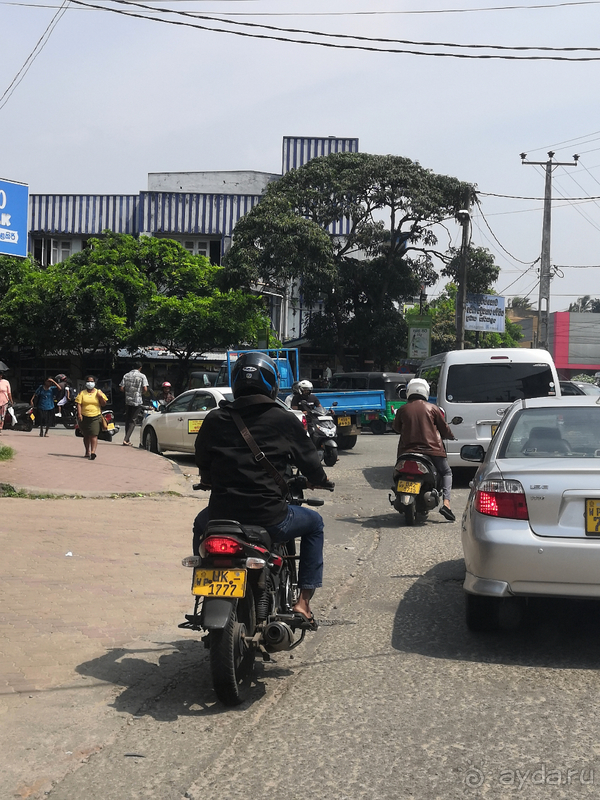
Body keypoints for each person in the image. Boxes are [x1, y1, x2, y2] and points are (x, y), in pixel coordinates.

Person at [193, 352, 332, 625]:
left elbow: (203, 460)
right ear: (272, 385)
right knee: (315, 523)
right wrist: (319, 479)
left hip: (221, 516)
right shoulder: (283, 419)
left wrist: (209, 479)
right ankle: (303, 604)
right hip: (271, 518)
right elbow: (310, 462)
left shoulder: (215, 418)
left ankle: (204, 591)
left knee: (201, 525)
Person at [392, 377, 456, 522]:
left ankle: (398, 492)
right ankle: (447, 504)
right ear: (426, 391)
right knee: (446, 472)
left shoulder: (402, 409)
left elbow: (396, 428)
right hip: (432, 450)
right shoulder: (433, 408)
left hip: (406, 451)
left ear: (409, 392)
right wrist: (451, 436)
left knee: (396, 472)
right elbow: (444, 429)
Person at [75, 375, 108, 459]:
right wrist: (79, 414)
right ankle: (87, 451)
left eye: (92, 381)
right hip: (84, 417)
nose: (90, 383)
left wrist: (100, 397)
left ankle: (93, 452)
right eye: (88, 381)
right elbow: (79, 404)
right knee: (86, 435)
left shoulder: (98, 392)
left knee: (94, 434)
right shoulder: (82, 393)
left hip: (95, 416)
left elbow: (104, 404)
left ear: (94, 383)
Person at [120, 361, 150, 446]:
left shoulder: (126, 375)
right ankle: (126, 439)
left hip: (128, 400)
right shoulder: (142, 376)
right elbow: (145, 389)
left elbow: (121, 388)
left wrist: (128, 392)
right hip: (137, 401)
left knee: (127, 420)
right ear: (140, 368)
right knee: (133, 420)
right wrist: (139, 393)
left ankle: (127, 439)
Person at [0, 370, 12, 434]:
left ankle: (0, 427)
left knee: (2, 415)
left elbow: (9, 392)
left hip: (4, 401)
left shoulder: (6, 382)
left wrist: (11, 400)